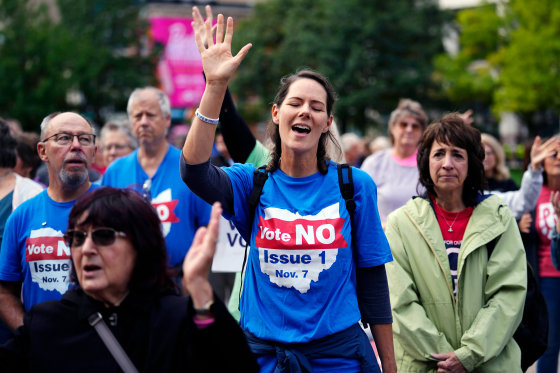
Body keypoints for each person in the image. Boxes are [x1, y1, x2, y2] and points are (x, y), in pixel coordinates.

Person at [181, 11, 395, 372]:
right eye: (295, 103)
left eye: (317, 107)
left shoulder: (354, 186)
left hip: (338, 359)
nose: (305, 112)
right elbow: (195, 171)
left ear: (327, 123)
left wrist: (389, 367)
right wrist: (215, 87)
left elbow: (374, 283)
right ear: (277, 114)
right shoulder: (252, 182)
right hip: (264, 359)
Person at [0, 187, 258, 372]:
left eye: (103, 236)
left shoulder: (176, 318)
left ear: (139, 245)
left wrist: (200, 290)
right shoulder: (46, 323)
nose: (86, 248)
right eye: (77, 238)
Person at [385, 113, 527, 372]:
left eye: (457, 155)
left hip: (490, 362)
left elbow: (508, 293)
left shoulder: (498, 217)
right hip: (426, 365)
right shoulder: (400, 223)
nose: (447, 163)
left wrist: (469, 354)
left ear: (471, 164)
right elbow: (399, 302)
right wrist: (447, 359)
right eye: (438, 154)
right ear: (425, 162)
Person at [0, 112, 99, 333]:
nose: (76, 146)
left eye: (84, 139)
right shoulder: (21, 216)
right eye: (64, 138)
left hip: (104, 347)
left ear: (94, 151)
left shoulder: (118, 209)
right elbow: (5, 292)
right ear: (42, 151)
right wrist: (29, 335)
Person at [101, 87, 210, 280]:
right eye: (137, 116)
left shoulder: (189, 169)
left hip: (179, 280)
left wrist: (195, 276)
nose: (143, 122)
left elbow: (206, 227)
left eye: (150, 115)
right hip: (127, 281)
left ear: (167, 119)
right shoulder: (115, 172)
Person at [521, 138, 560, 373]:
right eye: (553, 154)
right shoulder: (533, 193)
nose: (558, 158)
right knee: (550, 343)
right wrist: (520, 224)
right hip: (547, 278)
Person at [360, 98, 428, 225]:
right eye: (403, 124)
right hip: (382, 237)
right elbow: (361, 205)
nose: (409, 129)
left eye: (415, 126)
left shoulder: (428, 164)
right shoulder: (374, 163)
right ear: (392, 128)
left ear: (422, 132)